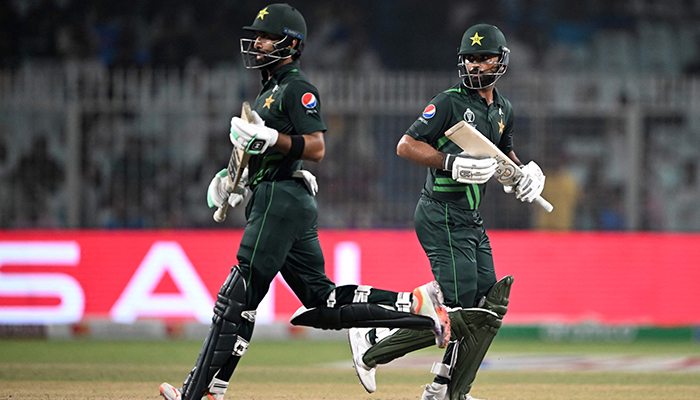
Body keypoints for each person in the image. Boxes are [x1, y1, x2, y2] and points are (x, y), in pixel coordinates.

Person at [159, 4, 450, 400]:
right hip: (276, 196)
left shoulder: (296, 88)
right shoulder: (267, 93)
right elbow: (265, 153)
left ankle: (199, 393)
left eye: (266, 37)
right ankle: (415, 304)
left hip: (280, 200)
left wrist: (270, 143)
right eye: (257, 36)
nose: (257, 43)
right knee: (322, 301)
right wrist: (235, 178)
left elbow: (316, 147)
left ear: (291, 45)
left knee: (235, 299)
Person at [348, 24, 546, 400]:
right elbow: (406, 145)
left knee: (489, 306)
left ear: (501, 61)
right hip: (440, 212)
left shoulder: (503, 108)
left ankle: (446, 389)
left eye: (483, 58)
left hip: (471, 218)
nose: (475, 65)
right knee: (462, 311)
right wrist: (450, 163)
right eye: (469, 59)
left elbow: (504, 158)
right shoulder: (448, 102)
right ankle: (374, 339)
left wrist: (524, 175)